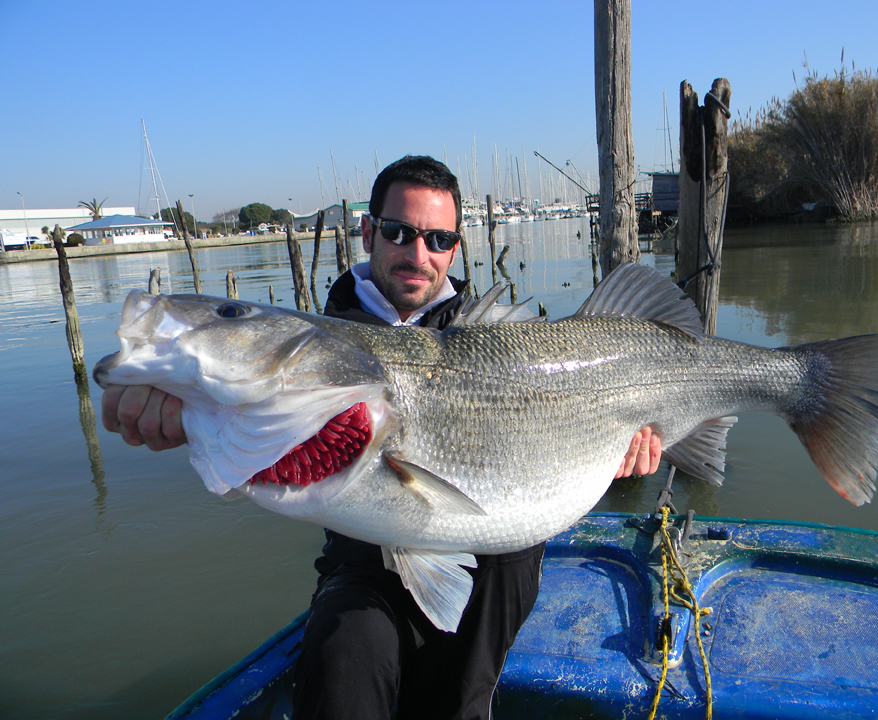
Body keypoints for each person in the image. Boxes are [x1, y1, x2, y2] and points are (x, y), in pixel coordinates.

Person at [101, 155, 661, 719]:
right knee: (343, 658)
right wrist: (180, 404)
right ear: (368, 232)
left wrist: (619, 450)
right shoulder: (325, 346)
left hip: (493, 562)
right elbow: (248, 410)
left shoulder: (497, 339)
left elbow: (568, 443)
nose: (419, 254)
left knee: (501, 585)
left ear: (456, 246)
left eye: (438, 239)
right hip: (362, 565)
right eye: (400, 232)